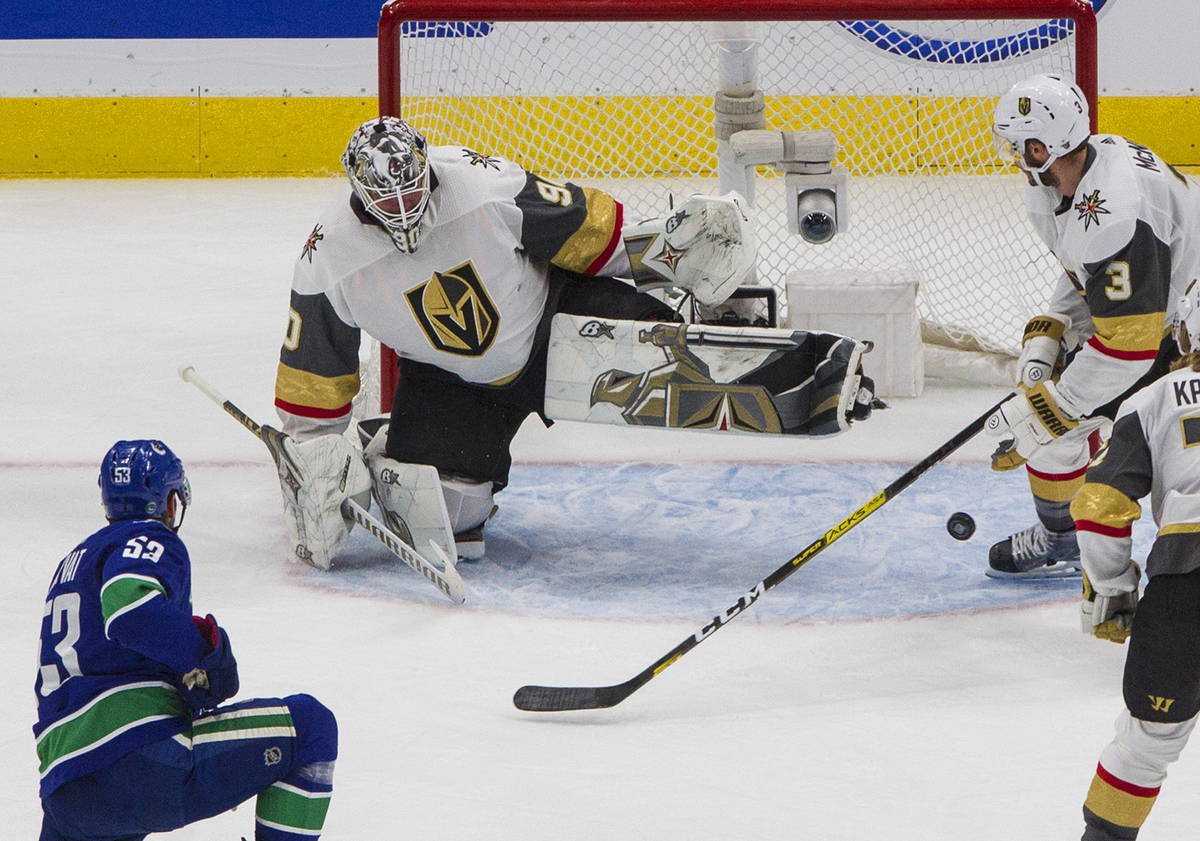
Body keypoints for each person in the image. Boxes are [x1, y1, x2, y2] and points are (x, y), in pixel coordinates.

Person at [271, 116, 763, 568]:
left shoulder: (479, 184)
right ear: (356, 190)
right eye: (386, 197)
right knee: (445, 518)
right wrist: (316, 458)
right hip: (453, 384)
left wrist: (663, 251)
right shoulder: (328, 258)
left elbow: (583, 232)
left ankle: (726, 335)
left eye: (410, 188)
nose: (402, 206)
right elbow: (314, 372)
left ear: (424, 162)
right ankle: (385, 452)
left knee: (658, 346)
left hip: (555, 320)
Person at [35, 440, 338, 841]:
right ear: (171, 502)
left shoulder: (74, 564)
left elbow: (110, 657)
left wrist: (184, 680)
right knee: (311, 726)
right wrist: (205, 652)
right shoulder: (148, 538)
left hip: (67, 794)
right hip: (138, 760)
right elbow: (131, 612)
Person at [984, 73, 1200, 579]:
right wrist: (1051, 331)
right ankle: (1062, 537)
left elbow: (1131, 348)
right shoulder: (1075, 177)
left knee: (1063, 429)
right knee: (1052, 417)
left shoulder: (1115, 214)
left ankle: (1091, 550)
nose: (1013, 156)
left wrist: (1052, 408)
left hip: (1184, 335)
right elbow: (1088, 274)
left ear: (1043, 146)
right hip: (1161, 311)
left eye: (1021, 147)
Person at [1067, 281, 1200, 840]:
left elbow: (1100, 507)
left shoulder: (1154, 397)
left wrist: (1116, 588)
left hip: (1185, 581)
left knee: (1148, 742)